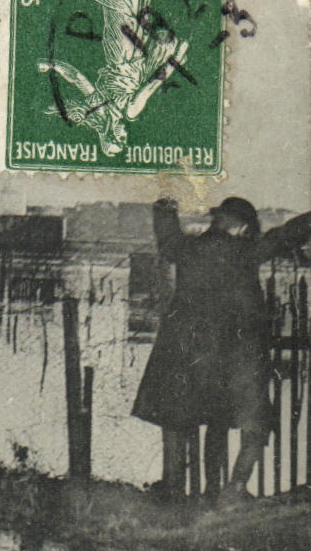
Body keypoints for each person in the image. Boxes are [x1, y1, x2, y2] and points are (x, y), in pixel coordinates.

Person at [132, 196, 311, 499]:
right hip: (233, 356)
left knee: (176, 419)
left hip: (184, 356)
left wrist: (165, 201)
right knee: (255, 421)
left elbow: (166, 233)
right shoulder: (247, 251)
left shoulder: (185, 248)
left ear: (217, 221)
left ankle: (174, 490)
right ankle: (235, 488)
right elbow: (287, 234)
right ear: (242, 227)